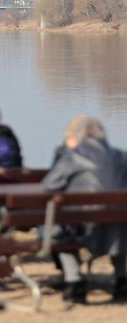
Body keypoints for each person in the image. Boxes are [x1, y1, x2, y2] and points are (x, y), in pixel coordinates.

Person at [42, 116, 127, 304]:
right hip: (119, 227)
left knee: (59, 228)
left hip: (85, 227)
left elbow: (50, 185)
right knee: (117, 225)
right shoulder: (121, 156)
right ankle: (122, 279)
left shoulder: (74, 156)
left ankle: (74, 280)